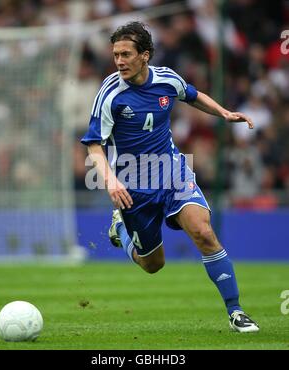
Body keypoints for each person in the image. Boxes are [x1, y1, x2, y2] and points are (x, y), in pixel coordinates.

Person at [81, 22, 259, 333]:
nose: (119, 61)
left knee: (203, 232)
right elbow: (95, 144)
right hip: (133, 185)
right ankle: (120, 228)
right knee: (153, 264)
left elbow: (192, 95)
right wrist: (110, 179)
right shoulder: (110, 94)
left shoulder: (166, 79)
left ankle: (236, 312)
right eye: (115, 55)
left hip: (171, 171)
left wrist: (224, 113)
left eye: (126, 54)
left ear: (145, 56)